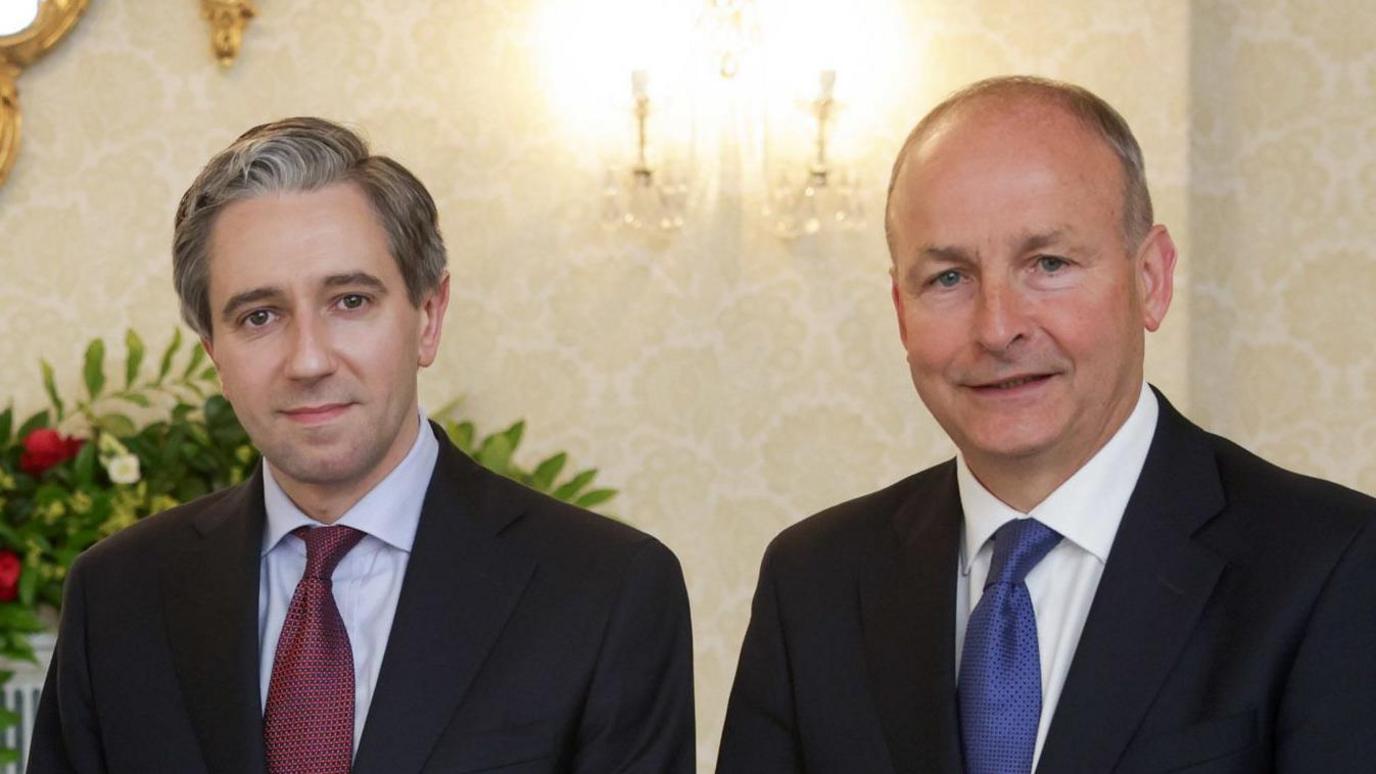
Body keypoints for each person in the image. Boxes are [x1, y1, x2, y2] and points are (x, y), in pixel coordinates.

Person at [717, 76, 1376, 773]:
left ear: (1151, 278)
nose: (998, 328)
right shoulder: (815, 581)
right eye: (948, 278)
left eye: (1049, 264)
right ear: (900, 310)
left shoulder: (1333, 567)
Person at [30, 117, 695, 774]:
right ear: (214, 356)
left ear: (427, 318)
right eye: (259, 316)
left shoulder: (605, 590)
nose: (309, 360)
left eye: (349, 301)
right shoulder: (117, 596)